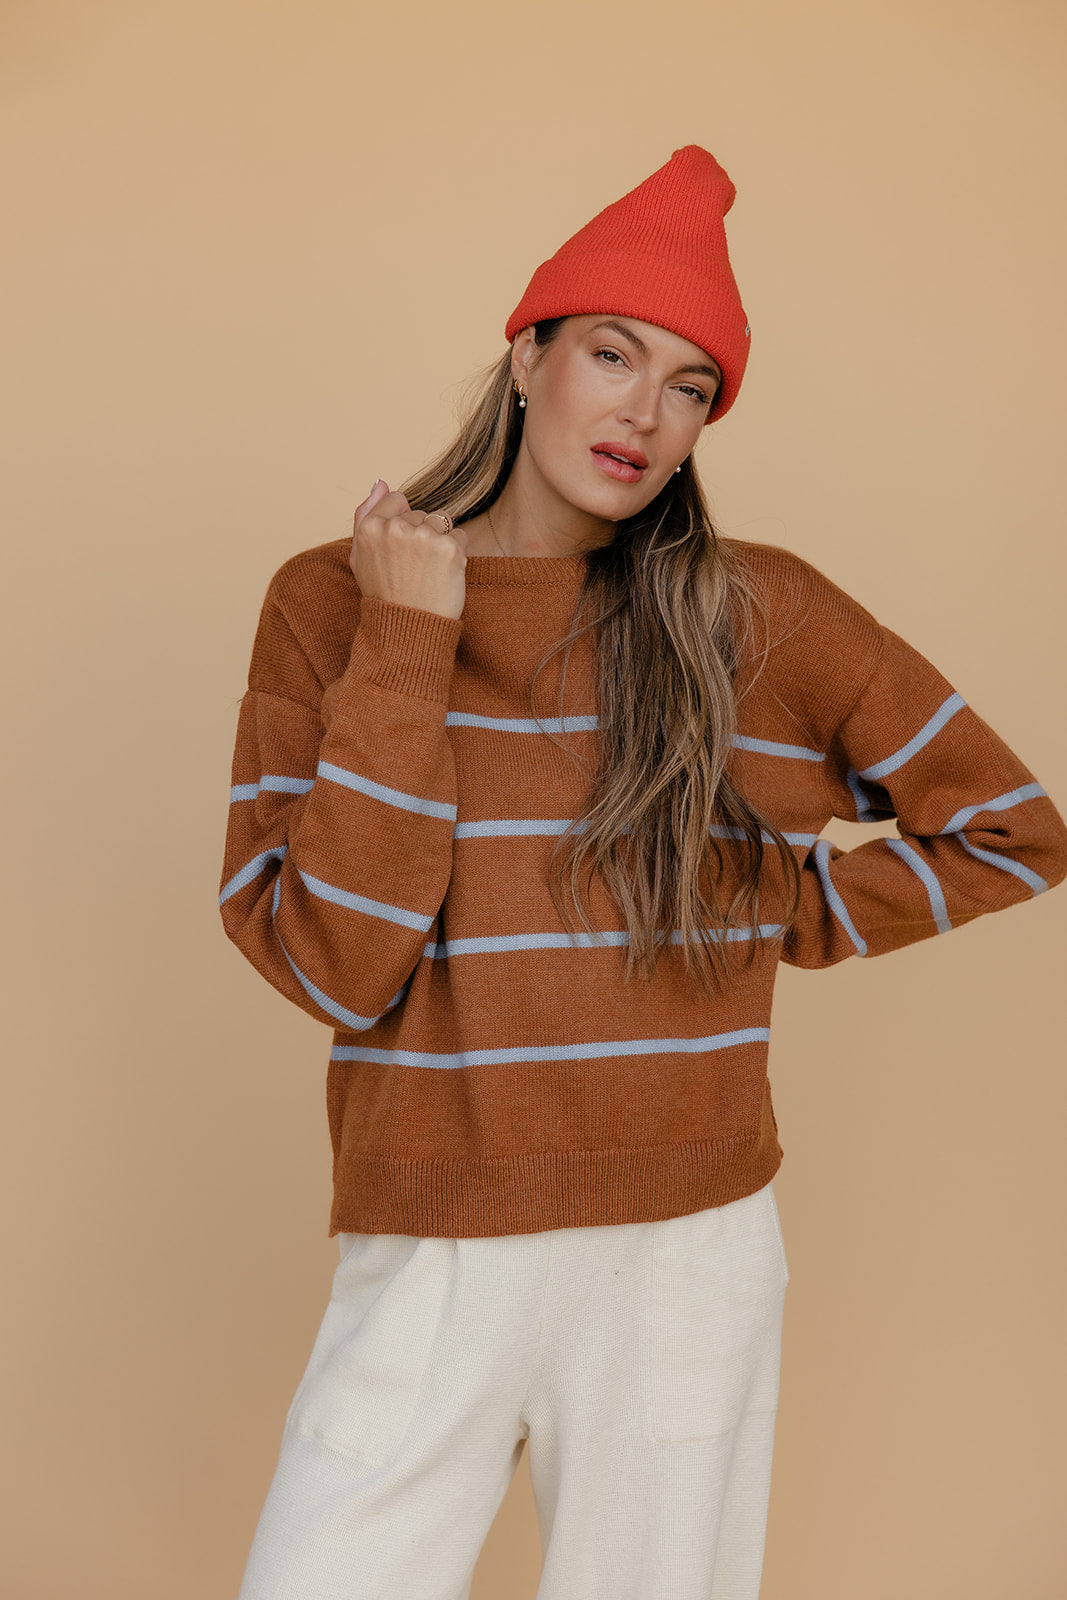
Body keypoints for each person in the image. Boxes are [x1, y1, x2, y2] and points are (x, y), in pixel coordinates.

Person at [218, 146, 1067, 1600]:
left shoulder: (758, 617)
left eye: (690, 386)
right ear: (529, 352)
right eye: (613, 353)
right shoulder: (333, 599)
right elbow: (332, 960)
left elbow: (1013, 829)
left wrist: (774, 904)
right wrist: (413, 641)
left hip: (687, 1254)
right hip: (434, 1244)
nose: (645, 411)